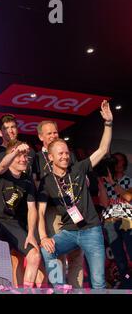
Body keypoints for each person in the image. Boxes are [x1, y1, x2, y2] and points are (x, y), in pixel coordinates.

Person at [38, 100, 113, 289]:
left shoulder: (78, 168)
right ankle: (59, 288)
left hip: (92, 231)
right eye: (60, 154)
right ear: (51, 157)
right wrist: (44, 237)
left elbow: (102, 150)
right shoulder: (47, 181)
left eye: (66, 153)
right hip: (69, 231)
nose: (64, 156)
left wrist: (108, 123)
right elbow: (39, 212)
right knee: (48, 250)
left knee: (98, 281)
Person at [0, 114, 38, 285]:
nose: (23, 159)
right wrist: (16, 150)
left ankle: (23, 288)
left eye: (13, 127)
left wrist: (31, 232)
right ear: (0, 132)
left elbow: (32, 205)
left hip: (18, 217)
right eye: (6, 128)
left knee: (26, 254)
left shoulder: (27, 159)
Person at [33, 120, 84, 288]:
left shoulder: (69, 154)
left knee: (78, 252)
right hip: (52, 211)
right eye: (49, 133)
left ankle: (77, 289)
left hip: (73, 208)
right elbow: (34, 185)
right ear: (41, 137)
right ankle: (58, 289)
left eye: (55, 132)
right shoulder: (36, 158)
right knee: (55, 250)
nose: (54, 135)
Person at [98, 152, 132, 288]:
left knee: (131, 251)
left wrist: (113, 183)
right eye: (114, 162)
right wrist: (101, 183)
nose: (116, 164)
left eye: (119, 161)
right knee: (119, 256)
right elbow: (105, 203)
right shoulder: (105, 182)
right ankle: (127, 282)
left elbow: (128, 197)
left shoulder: (129, 180)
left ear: (124, 164)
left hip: (126, 220)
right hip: (110, 221)